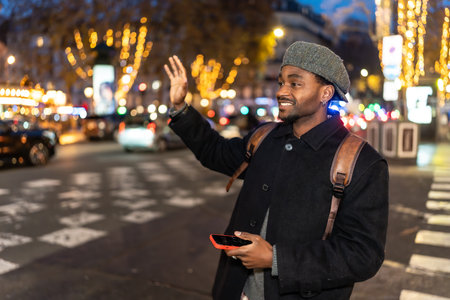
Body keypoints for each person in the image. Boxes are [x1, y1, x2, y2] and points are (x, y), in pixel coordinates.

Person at [164, 41, 389, 300]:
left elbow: (363, 255)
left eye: (295, 83)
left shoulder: (360, 162)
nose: (282, 91)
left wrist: (275, 259)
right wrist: (181, 108)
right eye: (281, 82)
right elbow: (214, 151)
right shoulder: (265, 137)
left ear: (325, 93)